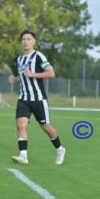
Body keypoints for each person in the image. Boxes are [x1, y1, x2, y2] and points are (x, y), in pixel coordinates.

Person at [8, 29, 66, 165]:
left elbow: (51, 73)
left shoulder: (39, 56)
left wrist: (33, 74)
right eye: (23, 39)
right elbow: (24, 76)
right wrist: (15, 79)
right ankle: (23, 156)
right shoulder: (20, 59)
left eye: (28, 39)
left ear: (33, 41)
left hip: (38, 99)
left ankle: (60, 148)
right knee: (20, 124)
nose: (26, 41)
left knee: (45, 126)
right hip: (24, 98)